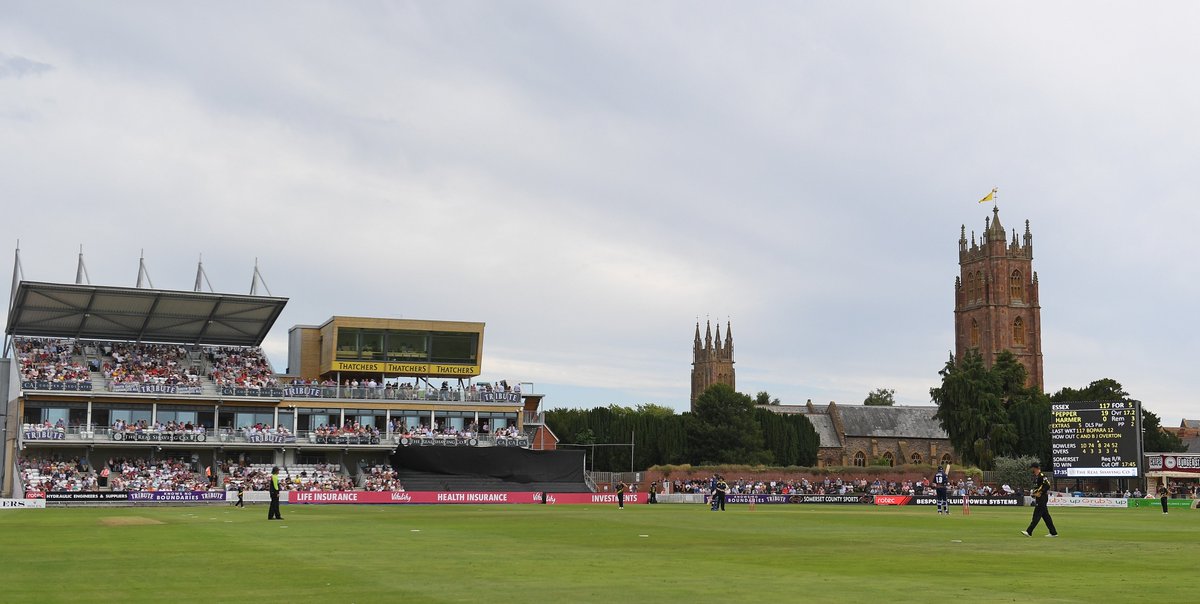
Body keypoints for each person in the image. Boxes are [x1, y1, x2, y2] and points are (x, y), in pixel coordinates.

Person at [1021, 462, 1056, 537]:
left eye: (1032, 468)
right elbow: (1037, 488)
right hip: (1039, 498)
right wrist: (1034, 493)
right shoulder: (1036, 477)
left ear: (1035, 468)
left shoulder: (1042, 476)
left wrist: (1041, 492)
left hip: (1042, 498)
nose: (1032, 469)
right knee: (1046, 517)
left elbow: (1047, 485)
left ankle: (1029, 531)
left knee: (1036, 515)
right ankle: (1053, 532)